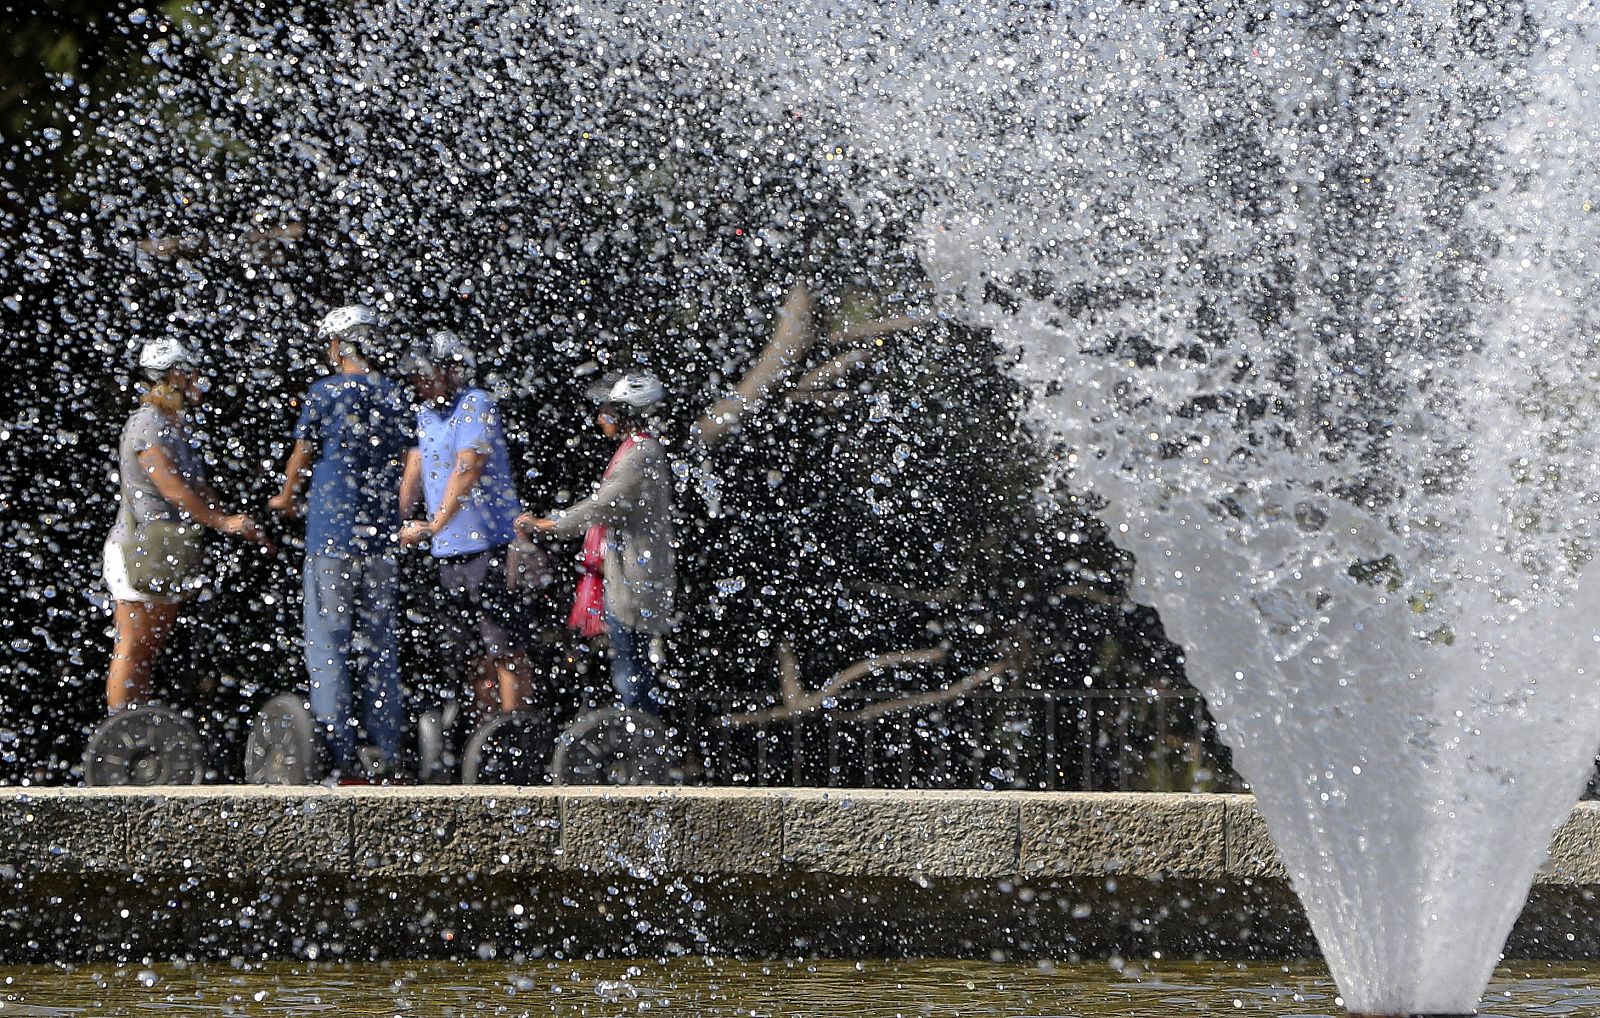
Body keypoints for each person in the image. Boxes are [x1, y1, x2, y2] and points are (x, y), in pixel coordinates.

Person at [268, 304, 412, 780]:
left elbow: (303, 455)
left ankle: (337, 756)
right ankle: (387, 752)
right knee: (380, 648)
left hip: (331, 537)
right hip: (380, 540)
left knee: (328, 645)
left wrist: (286, 498)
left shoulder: (324, 393)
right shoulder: (393, 394)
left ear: (338, 346)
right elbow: (412, 459)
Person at [103, 336, 270, 710]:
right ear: (172, 376)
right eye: (191, 373)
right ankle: (117, 732)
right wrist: (221, 522)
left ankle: (137, 725)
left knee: (148, 652)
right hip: (138, 548)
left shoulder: (175, 425)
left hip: (166, 551)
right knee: (133, 645)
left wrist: (239, 520)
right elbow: (172, 488)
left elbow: (198, 488)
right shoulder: (147, 423)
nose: (198, 381)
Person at [518, 372, 676, 712]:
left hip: (635, 584)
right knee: (631, 669)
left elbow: (602, 505)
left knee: (631, 676)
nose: (600, 418)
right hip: (628, 579)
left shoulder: (640, 453)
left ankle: (641, 748)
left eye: (606, 411)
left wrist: (550, 524)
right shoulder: (635, 449)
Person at [399, 331, 535, 719]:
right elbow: (413, 473)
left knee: (505, 645)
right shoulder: (424, 415)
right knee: (469, 649)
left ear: (448, 371)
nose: (418, 382)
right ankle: (484, 737)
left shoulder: (476, 405)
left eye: (425, 374)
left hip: (488, 546)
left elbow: (468, 468)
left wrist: (432, 524)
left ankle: (516, 731)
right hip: (448, 552)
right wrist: (393, 522)